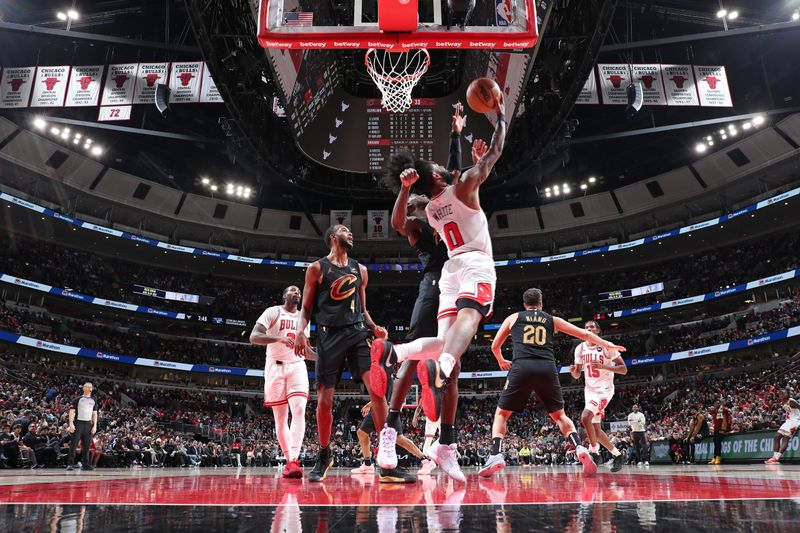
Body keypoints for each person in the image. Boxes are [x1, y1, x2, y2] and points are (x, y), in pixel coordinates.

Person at [372, 94, 507, 482]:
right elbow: (495, 152)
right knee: (470, 318)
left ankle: (395, 353)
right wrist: (500, 113)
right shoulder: (463, 185)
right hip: (475, 261)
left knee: (447, 340)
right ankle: (440, 370)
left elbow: (438, 178)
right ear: (439, 176)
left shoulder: (429, 206)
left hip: (449, 269)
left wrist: (457, 134)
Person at [372, 104, 465, 477]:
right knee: (412, 358)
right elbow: (396, 221)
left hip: (460, 286)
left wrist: (456, 131)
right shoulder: (418, 222)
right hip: (433, 286)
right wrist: (406, 190)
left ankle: (447, 443)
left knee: (453, 367)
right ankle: (389, 433)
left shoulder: (448, 203)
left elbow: (454, 171)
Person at [478, 288, 626, 478]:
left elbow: (494, 345)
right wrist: (607, 345)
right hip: (547, 368)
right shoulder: (551, 319)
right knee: (559, 416)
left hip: (521, 366)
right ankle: (580, 447)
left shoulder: (514, 317)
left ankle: (495, 454)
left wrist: (500, 359)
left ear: (525, 305)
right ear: (541, 304)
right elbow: (585, 335)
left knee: (502, 414)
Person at [293, 224, 398, 482]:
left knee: (377, 390)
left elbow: (363, 309)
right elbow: (306, 309)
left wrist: (374, 327)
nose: (350, 233)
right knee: (324, 401)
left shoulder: (360, 270)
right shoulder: (317, 269)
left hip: (358, 333)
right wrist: (300, 332)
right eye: (344, 230)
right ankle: (324, 454)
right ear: (332, 237)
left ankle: (386, 456)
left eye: (351, 231)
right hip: (329, 336)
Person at [250, 285, 316, 479]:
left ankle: (294, 459)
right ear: (284, 295)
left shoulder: (304, 319)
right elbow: (254, 337)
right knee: (280, 418)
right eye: (292, 290)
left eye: (298, 291)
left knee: (299, 410)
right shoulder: (273, 312)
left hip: (296, 365)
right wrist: (279, 339)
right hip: (275, 366)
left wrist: (326, 358)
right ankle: (289, 459)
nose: (296, 293)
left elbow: (306, 350)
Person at [570, 320, 627, 472]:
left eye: (592, 327)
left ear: (598, 331)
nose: (589, 329)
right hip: (589, 390)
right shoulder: (580, 348)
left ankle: (594, 452)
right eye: (586, 327)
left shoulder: (606, 346)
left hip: (604, 390)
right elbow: (577, 375)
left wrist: (604, 366)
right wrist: (574, 372)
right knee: (595, 429)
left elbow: (623, 369)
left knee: (585, 417)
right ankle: (617, 455)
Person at [350, 396, 424, 482]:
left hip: (388, 407)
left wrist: (369, 404)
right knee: (362, 433)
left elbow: (386, 397)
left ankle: (425, 459)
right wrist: (370, 404)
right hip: (377, 407)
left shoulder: (392, 384)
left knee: (398, 438)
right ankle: (367, 465)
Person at [67, 382, 98, 471]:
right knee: (73, 444)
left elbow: (95, 414)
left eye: (90, 387)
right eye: (87, 386)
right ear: (83, 388)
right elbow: (71, 412)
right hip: (78, 423)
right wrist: (71, 424)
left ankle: (85, 464)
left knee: (87, 446)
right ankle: (70, 464)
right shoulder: (77, 399)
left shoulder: (93, 400)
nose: (88, 388)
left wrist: (94, 426)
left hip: (88, 424)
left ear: (91, 389)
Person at [765, 390, 799, 464]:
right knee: (776, 437)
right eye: (780, 393)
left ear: (787, 394)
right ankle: (774, 457)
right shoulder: (783, 403)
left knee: (785, 438)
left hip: (795, 421)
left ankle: (776, 458)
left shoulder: (791, 401)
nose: (782, 394)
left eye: (784, 393)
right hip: (788, 421)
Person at [709, 399, 731, 465]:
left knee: (718, 441)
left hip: (722, 430)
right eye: (716, 403)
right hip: (716, 429)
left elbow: (726, 420)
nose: (717, 404)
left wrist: (724, 430)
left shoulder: (724, 410)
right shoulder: (714, 411)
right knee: (715, 442)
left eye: (718, 403)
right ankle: (715, 457)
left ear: (720, 403)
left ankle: (718, 457)